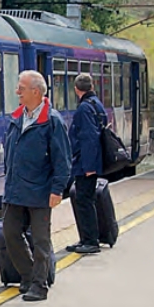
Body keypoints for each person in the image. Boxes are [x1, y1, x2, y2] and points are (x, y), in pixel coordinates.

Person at [2, 70, 71, 302]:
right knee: (10, 232)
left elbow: (62, 159)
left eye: (21, 87)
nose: (17, 92)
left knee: (41, 240)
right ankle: (29, 275)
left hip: (40, 190)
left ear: (35, 91)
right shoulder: (16, 118)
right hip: (15, 189)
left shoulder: (52, 122)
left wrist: (57, 189)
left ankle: (39, 285)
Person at [66, 73, 103, 255]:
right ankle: (86, 238)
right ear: (92, 87)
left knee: (84, 201)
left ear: (76, 89)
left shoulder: (84, 109)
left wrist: (88, 167)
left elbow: (89, 138)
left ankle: (90, 240)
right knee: (84, 200)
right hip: (90, 161)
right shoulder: (96, 104)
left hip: (85, 164)